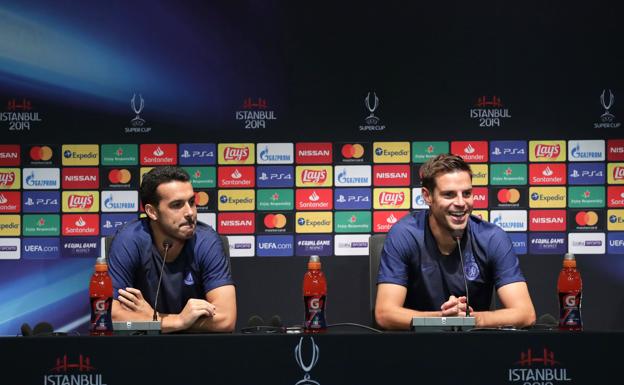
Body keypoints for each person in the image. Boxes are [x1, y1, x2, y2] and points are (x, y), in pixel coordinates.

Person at [375, 154, 535, 330]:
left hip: (476, 347)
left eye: (467, 193)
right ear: (427, 196)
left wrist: (471, 319)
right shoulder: (404, 234)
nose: (461, 203)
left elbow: (525, 314)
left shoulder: (492, 238)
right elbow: (385, 314)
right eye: (449, 194)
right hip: (417, 347)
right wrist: (443, 318)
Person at [109, 166, 236, 333]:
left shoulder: (206, 241)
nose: (190, 212)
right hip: (141, 348)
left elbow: (226, 319)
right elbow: (111, 316)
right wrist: (178, 321)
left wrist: (154, 319)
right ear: (152, 211)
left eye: (191, 202)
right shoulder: (129, 240)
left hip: (196, 350)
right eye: (177, 205)